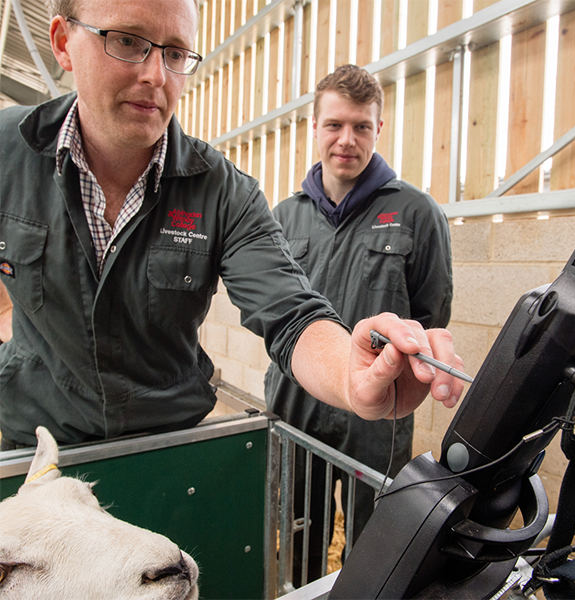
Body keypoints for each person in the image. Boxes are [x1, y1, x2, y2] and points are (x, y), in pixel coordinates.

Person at [0, 0, 463, 451]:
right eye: (126, 40)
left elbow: (292, 312)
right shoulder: (7, 154)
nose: (156, 76)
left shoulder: (223, 191)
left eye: (176, 53)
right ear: (63, 42)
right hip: (35, 446)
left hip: (168, 451)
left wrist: (351, 375)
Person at [264, 64, 453, 585]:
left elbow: (431, 316)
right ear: (316, 127)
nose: (347, 140)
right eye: (334, 124)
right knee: (300, 525)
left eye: (361, 127)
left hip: (378, 412)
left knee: (375, 533)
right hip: (297, 398)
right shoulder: (282, 218)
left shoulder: (416, 214)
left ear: (378, 129)